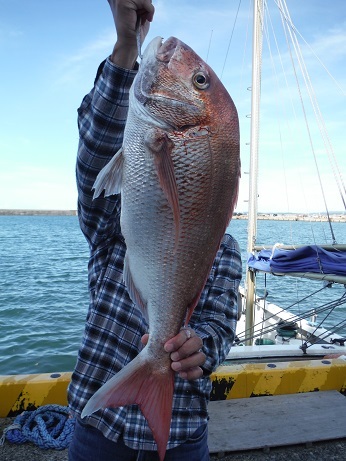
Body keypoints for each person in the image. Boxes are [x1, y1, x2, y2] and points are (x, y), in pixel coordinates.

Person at [67, 1, 242, 460]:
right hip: (98, 427)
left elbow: (222, 325)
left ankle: (152, 376)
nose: (182, 59)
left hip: (180, 429)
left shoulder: (223, 250)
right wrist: (129, 45)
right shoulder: (111, 221)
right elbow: (93, 157)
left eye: (197, 81)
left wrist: (199, 348)